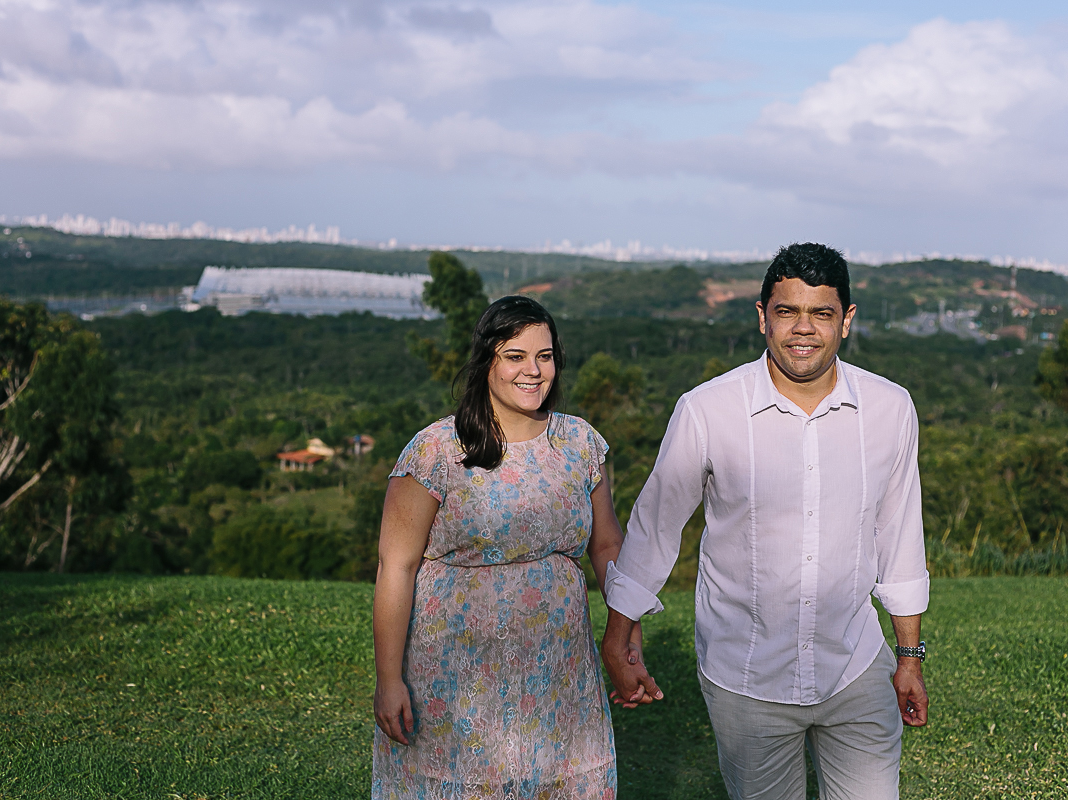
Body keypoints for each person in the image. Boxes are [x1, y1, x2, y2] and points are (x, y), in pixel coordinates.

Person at [601, 243, 930, 800]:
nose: (803, 330)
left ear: (846, 321)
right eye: (787, 312)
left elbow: (899, 539)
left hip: (856, 667)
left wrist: (908, 657)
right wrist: (618, 637)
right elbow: (655, 528)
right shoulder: (707, 410)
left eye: (821, 313)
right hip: (745, 677)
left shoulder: (890, 409)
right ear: (762, 316)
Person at [371, 295, 642, 800]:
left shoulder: (580, 444)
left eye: (544, 356)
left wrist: (628, 639)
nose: (533, 371)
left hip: (559, 676)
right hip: (454, 683)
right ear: (486, 362)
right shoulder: (436, 451)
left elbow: (608, 546)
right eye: (515, 356)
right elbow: (396, 566)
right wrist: (389, 679)